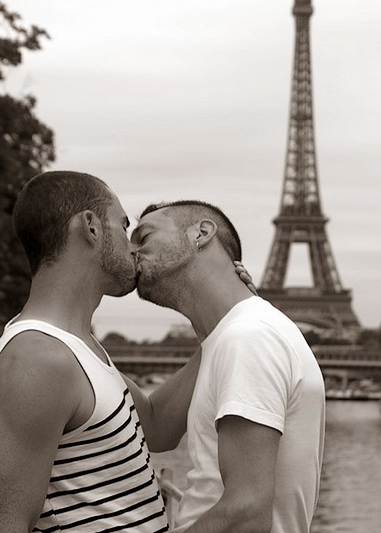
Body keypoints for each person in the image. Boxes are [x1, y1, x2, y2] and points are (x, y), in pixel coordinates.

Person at [0, 171, 203, 533]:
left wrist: (216, 326)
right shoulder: (37, 360)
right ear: (91, 227)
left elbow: (157, 428)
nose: (133, 246)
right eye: (123, 227)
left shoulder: (77, 347)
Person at [132, 200, 326, 533]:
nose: (131, 252)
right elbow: (156, 427)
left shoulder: (247, 337)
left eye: (143, 237)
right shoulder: (231, 336)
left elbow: (247, 512)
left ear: (202, 233)